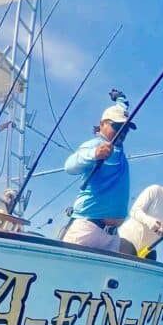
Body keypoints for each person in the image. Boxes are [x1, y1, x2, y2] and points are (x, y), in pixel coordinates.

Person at [60, 91, 136, 252]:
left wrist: (121, 100)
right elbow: (70, 166)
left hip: (112, 236)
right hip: (87, 229)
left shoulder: (118, 148)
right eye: (117, 126)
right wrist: (94, 154)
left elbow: (122, 109)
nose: (122, 131)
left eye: (126, 129)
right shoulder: (95, 144)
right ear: (102, 124)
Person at [118, 167, 163, 260]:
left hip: (149, 249)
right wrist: (151, 222)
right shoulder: (155, 190)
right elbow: (134, 211)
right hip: (128, 238)